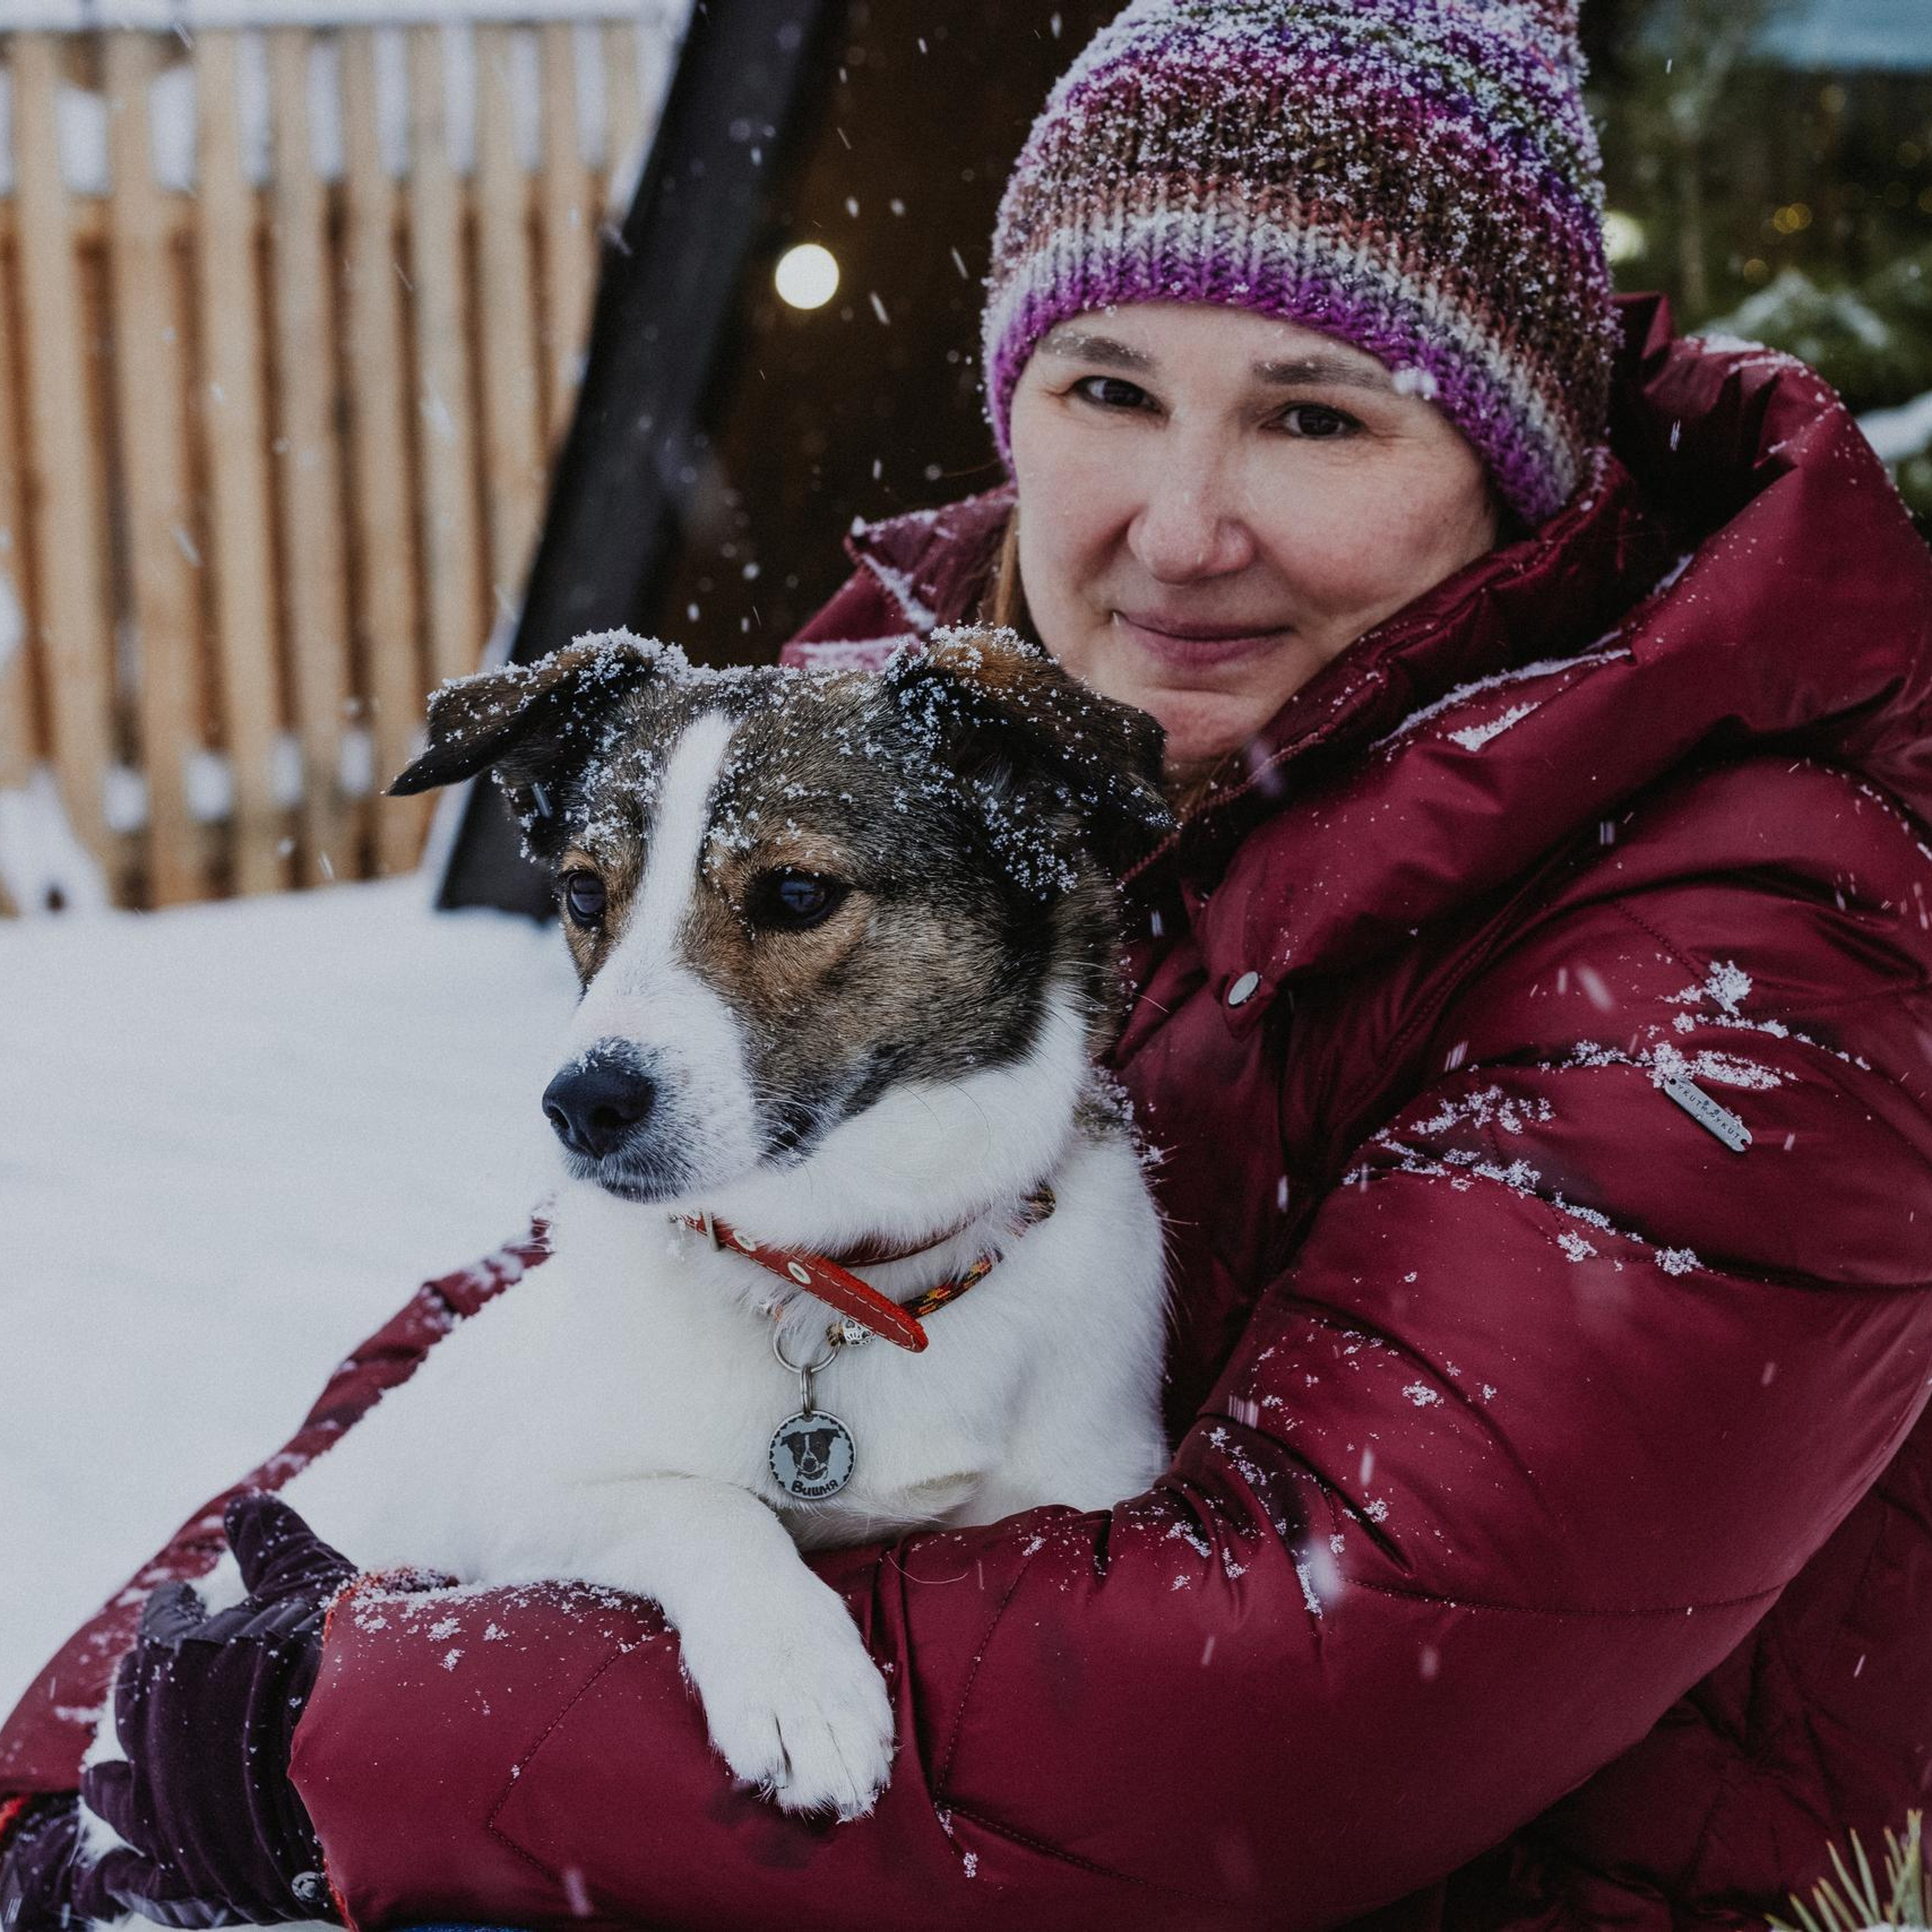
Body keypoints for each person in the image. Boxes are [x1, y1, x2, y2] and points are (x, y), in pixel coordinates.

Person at [8, 0, 1932, 1924]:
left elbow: (1284, 1705)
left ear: (1515, 458)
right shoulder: (953, 727)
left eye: (1314, 414)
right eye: (1105, 388)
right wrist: (57, 1778)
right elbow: (508, 1347)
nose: (1177, 532)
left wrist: (316, 1739)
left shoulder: (1751, 941)